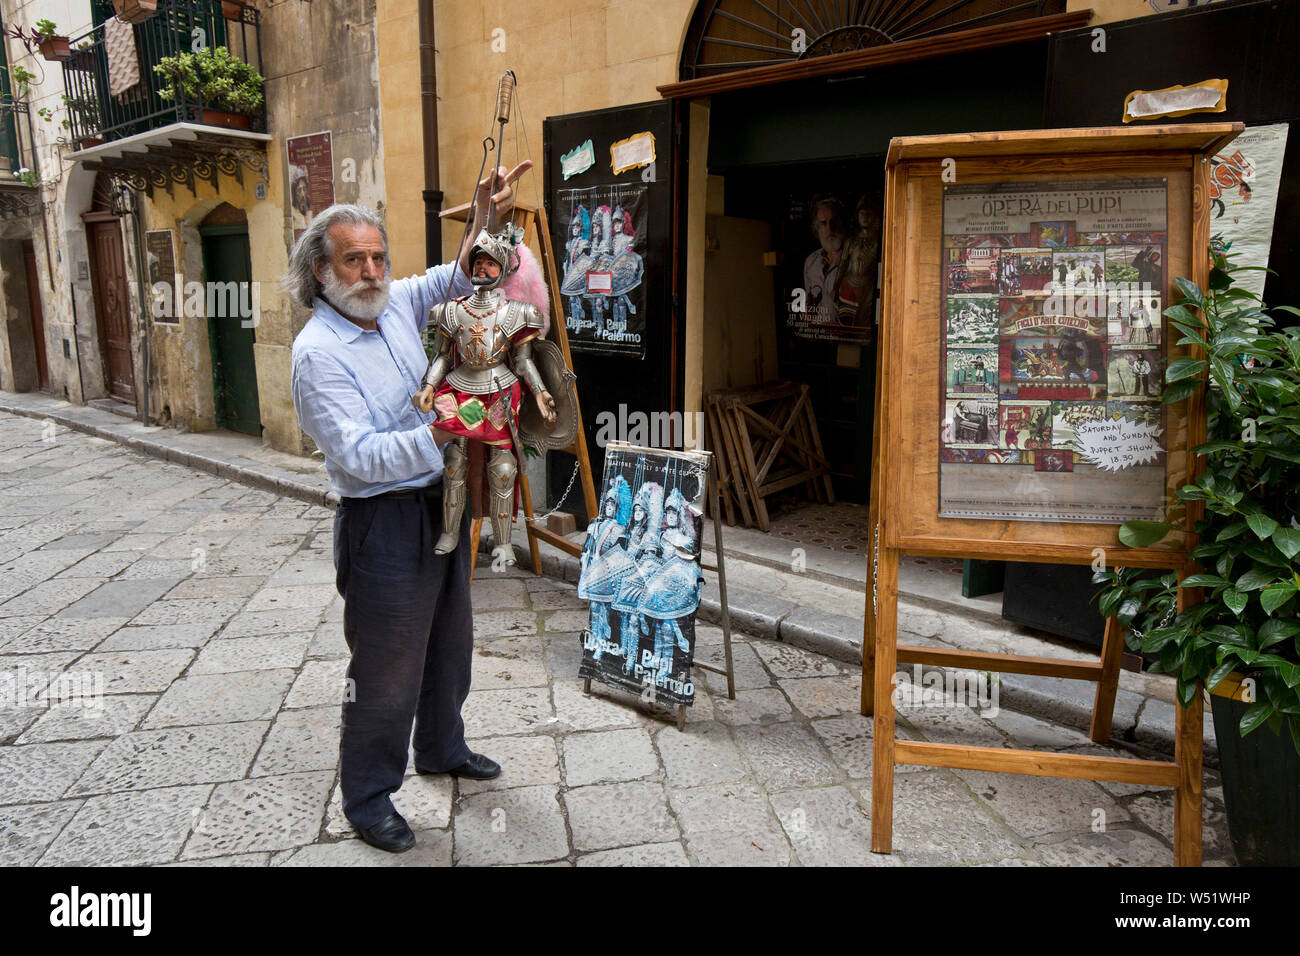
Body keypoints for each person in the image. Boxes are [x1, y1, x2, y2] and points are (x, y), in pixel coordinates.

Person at [285, 162, 529, 854]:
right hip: (382, 523)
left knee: (450, 642)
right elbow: (360, 457)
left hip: (439, 502)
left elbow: (456, 279)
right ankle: (367, 798)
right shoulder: (316, 354)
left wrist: (483, 215)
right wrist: (450, 428)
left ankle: (443, 749)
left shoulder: (392, 303)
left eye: (377, 256)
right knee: (387, 669)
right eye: (353, 260)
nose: (370, 270)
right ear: (322, 273)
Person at [802, 197, 847, 323]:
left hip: (845, 339)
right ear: (817, 228)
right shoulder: (811, 262)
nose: (830, 228)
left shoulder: (855, 259)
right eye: (823, 223)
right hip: (817, 338)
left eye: (834, 221)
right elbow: (808, 305)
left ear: (842, 223)